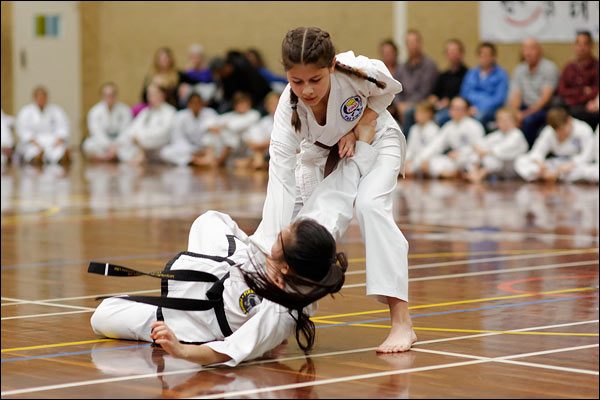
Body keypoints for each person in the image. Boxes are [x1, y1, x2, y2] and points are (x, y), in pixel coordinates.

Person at [90, 126, 381, 367]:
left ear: (285, 267)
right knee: (208, 221)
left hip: (201, 315)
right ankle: (231, 267)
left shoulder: (279, 314)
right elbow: (340, 193)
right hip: (230, 265)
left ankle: (254, 330)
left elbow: (228, 350)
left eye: (282, 239)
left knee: (102, 315)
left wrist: (181, 350)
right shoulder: (315, 241)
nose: (282, 230)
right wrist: (360, 138)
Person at [253, 26, 416, 353]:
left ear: (330, 67)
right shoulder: (289, 109)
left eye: (315, 80)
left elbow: (390, 88)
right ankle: (287, 318)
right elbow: (281, 177)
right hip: (325, 157)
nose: (307, 90)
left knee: (369, 205)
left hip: (380, 140)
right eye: (296, 81)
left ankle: (402, 322)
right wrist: (273, 244)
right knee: (304, 232)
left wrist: (361, 124)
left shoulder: (352, 71)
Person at [514, 107, 594, 182]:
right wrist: (541, 164)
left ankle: (555, 176)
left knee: (588, 171)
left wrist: (572, 164)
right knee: (521, 161)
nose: (560, 133)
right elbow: (537, 151)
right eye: (557, 131)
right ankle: (546, 175)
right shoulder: (548, 131)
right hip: (555, 164)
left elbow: (588, 155)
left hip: (573, 165)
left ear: (569, 121)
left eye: (562, 129)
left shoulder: (583, 129)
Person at [415, 96, 485, 179]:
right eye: (453, 108)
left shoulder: (474, 126)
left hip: (469, 158)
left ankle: (466, 174)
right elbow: (436, 145)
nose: (455, 111)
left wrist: (461, 153)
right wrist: (423, 159)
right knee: (432, 162)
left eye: (459, 108)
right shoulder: (448, 127)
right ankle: (454, 174)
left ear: (466, 110)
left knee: (471, 159)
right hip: (455, 159)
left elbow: (479, 149)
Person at [507, 38, 559, 147]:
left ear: (540, 51)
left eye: (532, 49)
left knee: (528, 121)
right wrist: (516, 113)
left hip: (543, 108)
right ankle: (511, 149)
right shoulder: (519, 69)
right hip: (524, 106)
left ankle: (528, 150)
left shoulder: (549, 68)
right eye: (525, 49)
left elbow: (545, 99)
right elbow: (516, 94)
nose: (528, 53)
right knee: (506, 117)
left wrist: (525, 114)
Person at [464, 107, 529, 183]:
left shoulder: (517, 134)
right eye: (501, 120)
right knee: (474, 155)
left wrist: (485, 152)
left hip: (513, 168)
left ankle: (480, 175)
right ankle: (474, 172)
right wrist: (478, 149)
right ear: (497, 123)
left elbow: (503, 149)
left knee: (493, 158)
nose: (504, 123)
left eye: (507, 120)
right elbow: (480, 143)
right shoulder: (497, 134)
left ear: (515, 121)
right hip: (501, 169)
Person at [196, 92, 260, 167]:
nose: (242, 106)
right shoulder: (231, 115)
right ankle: (209, 157)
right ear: (235, 105)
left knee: (231, 134)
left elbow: (236, 126)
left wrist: (222, 126)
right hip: (232, 149)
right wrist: (213, 127)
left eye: (244, 103)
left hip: (246, 147)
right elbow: (209, 123)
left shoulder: (253, 114)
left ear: (249, 104)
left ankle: (219, 161)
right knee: (211, 134)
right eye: (239, 103)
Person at [118, 83, 177, 164]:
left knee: (168, 153)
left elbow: (163, 134)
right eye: (149, 94)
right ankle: (142, 155)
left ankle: (143, 155)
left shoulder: (170, 112)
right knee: (122, 150)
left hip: (159, 147)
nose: (151, 97)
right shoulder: (145, 112)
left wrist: (141, 139)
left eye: (154, 94)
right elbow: (132, 129)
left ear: (162, 95)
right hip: (142, 146)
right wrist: (136, 138)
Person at [395, 29, 439, 134]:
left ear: (420, 43)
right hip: (402, 105)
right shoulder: (401, 67)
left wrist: (408, 105)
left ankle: (406, 146)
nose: (412, 46)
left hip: (421, 104)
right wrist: (399, 104)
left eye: (414, 42)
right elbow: (395, 87)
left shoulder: (429, 65)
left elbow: (425, 90)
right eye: (409, 43)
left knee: (409, 113)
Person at [15, 86, 70, 165]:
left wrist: (59, 139)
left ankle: (63, 157)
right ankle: (37, 158)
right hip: (34, 142)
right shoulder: (26, 112)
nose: (41, 99)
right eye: (39, 97)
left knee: (59, 151)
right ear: (34, 98)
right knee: (32, 151)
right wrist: (35, 142)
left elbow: (63, 127)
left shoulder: (56, 110)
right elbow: (23, 130)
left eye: (43, 97)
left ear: (47, 97)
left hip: (53, 141)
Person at [160, 93, 218, 166]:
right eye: (193, 103)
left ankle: (205, 159)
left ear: (202, 104)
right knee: (165, 152)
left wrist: (205, 150)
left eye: (198, 103)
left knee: (212, 136)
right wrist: (193, 150)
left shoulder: (210, 113)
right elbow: (178, 139)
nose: (196, 105)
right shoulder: (180, 116)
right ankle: (192, 161)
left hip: (207, 150)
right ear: (188, 104)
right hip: (189, 150)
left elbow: (214, 132)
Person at [460, 42, 509, 130]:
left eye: (486, 55)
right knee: (446, 116)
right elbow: (464, 93)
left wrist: (478, 108)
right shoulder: (471, 73)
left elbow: (499, 98)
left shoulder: (501, 74)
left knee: (479, 117)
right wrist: (468, 108)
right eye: (481, 54)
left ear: (493, 57)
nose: (483, 58)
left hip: (490, 110)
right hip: (469, 108)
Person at [556, 31, 599, 130]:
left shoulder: (596, 66)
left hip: (588, 106)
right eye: (578, 44)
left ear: (591, 46)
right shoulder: (569, 67)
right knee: (556, 105)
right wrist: (581, 91)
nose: (581, 47)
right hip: (569, 104)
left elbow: (595, 91)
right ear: (574, 46)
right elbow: (561, 90)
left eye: (585, 44)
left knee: (577, 112)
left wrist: (578, 98)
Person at [82, 82, 133, 162]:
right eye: (106, 95)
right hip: (102, 144)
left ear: (116, 95)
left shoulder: (125, 110)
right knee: (88, 144)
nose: (109, 97)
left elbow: (127, 131)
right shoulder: (95, 111)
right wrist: (109, 146)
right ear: (102, 96)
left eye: (112, 95)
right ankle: (110, 156)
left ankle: (110, 156)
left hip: (119, 144)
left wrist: (116, 146)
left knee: (131, 145)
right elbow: (96, 132)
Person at [235, 92, 280, 170]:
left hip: (279, 151)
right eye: (271, 104)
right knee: (257, 154)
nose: (274, 106)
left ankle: (256, 163)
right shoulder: (264, 121)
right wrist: (256, 144)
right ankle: (259, 163)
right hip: (264, 151)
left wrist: (263, 144)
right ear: (266, 106)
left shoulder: (287, 121)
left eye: (276, 103)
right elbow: (254, 139)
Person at [429, 38, 468, 126]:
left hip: (454, 107)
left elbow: (465, 95)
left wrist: (449, 102)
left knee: (439, 117)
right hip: (439, 106)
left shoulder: (467, 74)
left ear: (461, 54)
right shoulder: (443, 75)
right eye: (449, 52)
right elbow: (434, 93)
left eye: (455, 51)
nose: (452, 54)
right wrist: (434, 99)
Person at [404, 100, 439, 177]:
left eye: (420, 113)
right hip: (415, 160)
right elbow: (410, 148)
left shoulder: (434, 129)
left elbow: (432, 150)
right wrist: (407, 159)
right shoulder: (414, 129)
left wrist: (418, 161)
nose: (417, 115)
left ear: (429, 114)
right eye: (416, 113)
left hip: (427, 160)